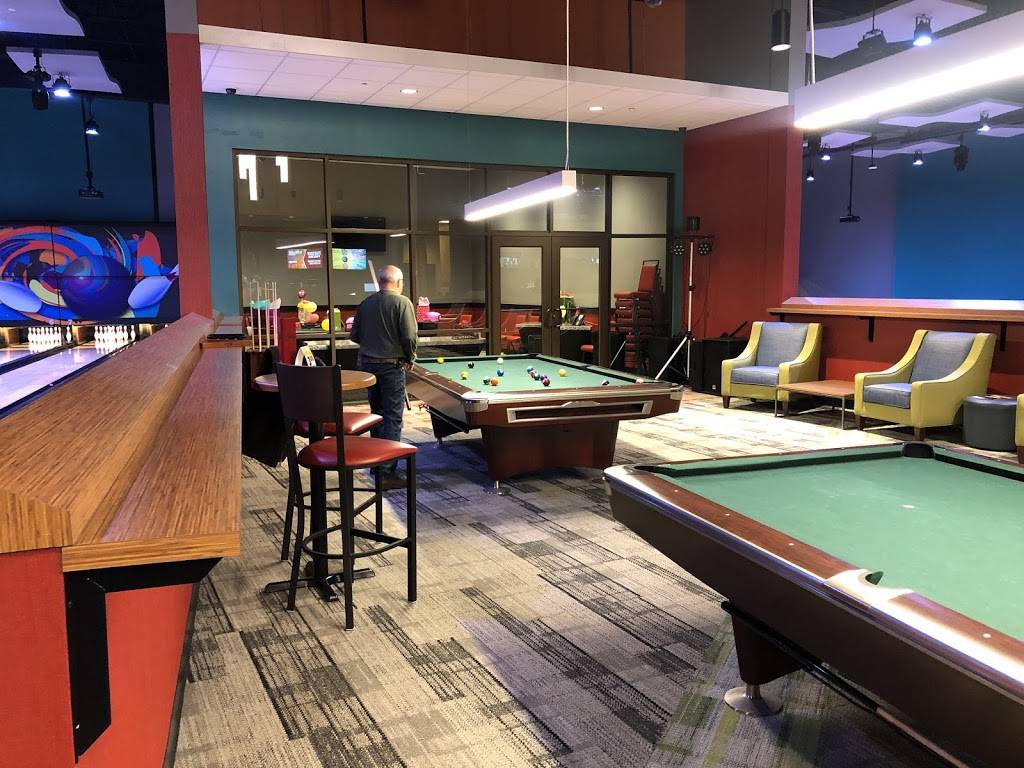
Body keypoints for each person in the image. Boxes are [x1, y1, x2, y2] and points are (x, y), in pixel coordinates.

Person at [350, 265, 417, 489]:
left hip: (368, 366)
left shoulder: (366, 303)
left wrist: (374, 342)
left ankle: (377, 465)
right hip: (391, 367)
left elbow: (354, 336)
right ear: (398, 282)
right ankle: (386, 472)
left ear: (380, 282)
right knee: (392, 418)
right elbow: (409, 337)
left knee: (377, 415)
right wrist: (410, 356)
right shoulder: (403, 302)